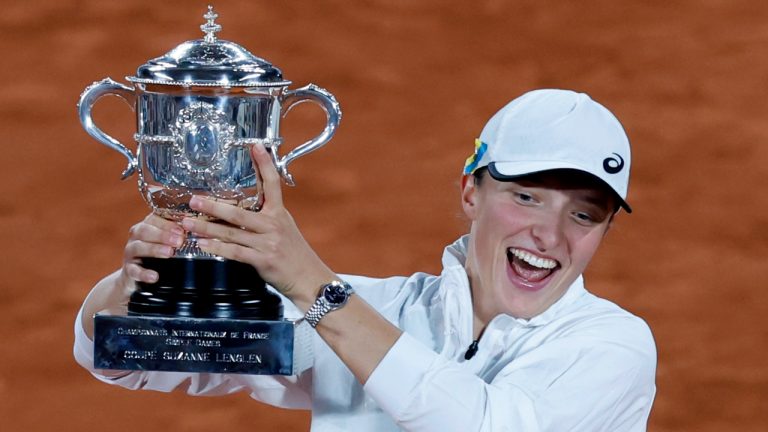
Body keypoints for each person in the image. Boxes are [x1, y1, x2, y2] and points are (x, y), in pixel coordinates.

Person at [74, 89, 657, 431]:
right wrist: (141, 281)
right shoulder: (373, 313)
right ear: (471, 193)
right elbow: (134, 357)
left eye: (583, 214)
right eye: (526, 197)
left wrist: (311, 283)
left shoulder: (611, 347)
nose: (550, 234)